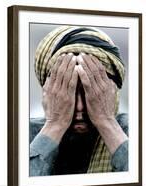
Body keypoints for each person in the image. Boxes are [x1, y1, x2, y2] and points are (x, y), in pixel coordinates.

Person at [30, 26, 128, 176]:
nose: (80, 106)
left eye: (90, 92)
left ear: (111, 92)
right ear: (49, 92)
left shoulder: (133, 131)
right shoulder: (24, 134)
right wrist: (55, 124)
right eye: (68, 91)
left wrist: (106, 122)